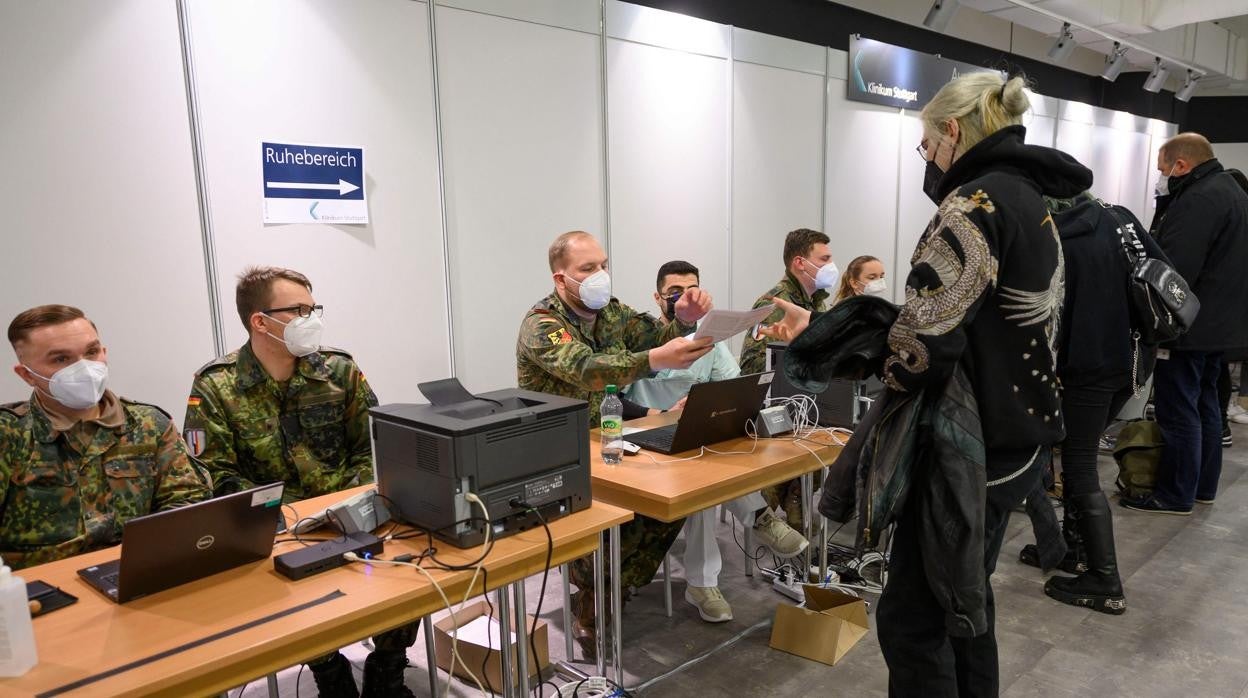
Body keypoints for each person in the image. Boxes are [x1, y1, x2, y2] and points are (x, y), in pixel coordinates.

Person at [764, 72, 1092, 695]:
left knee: (916, 620)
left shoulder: (971, 208)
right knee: (966, 602)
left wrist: (834, 337)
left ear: (951, 132)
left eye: (926, 146)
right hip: (1018, 435)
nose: (928, 160)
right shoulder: (1034, 202)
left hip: (966, 448)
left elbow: (922, 348)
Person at [183, 267, 409, 698]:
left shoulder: (339, 370)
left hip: (350, 510)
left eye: (314, 308)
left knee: (413, 559)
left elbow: (374, 447)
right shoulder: (216, 385)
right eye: (299, 310)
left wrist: (353, 502)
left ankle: (389, 669)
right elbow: (212, 472)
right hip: (276, 530)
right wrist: (283, 517)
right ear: (260, 321)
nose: (313, 319)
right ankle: (328, 669)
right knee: (286, 591)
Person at [516, 231, 714, 658]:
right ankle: (595, 593)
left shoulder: (612, 311)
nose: (600, 276)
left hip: (608, 434)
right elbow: (586, 368)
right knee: (612, 525)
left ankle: (610, 587)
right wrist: (655, 360)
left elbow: (652, 335)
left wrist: (682, 321)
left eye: (603, 265)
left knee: (670, 501)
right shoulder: (541, 324)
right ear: (560, 279)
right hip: (556, 450)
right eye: (587, 269)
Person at [623, 261, 808, 623]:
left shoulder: (709, 340)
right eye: (675, 292)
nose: (684, 298)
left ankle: (704, 582)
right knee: (701, 479)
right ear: (657, 297)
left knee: (706, 470)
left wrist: (713, 407)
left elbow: (733, 384)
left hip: (692, 438)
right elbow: (613, 399)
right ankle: (756, 520)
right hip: (643, 440)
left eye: (692, 289)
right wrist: (658, 413)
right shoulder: (641, 340)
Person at [1022, 192, 1169, 614]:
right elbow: (1162, 273)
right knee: (1076, 456)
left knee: (1081, 465)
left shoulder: (1054, 239)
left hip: (1085, 368)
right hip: (1129, 362)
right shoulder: (1117, 217)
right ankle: (1073, 552)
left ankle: (1105, 579)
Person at [0, 305, 211, 570]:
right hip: (43, 589)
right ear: (27, 374)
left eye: (91, 352)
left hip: (137, 569)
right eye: (61, 359)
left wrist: (153, 554)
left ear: (104, 353)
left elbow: (188, 501)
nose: (84, 368)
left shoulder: (148, 423)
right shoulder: (9, 434)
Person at [1124, 133, 1248, 514]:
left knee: (1178, 411)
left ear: (1181, 165)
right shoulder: (1231, 191)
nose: (1160, 178)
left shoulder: (1197, 201)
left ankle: (1175, 494)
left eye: (1162, 169)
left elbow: (1172, 271)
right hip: (1221, 326)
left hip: (1189, 328)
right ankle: (1202, 488)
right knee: (1207, 406)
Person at [739, 228, 837, 531]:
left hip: (809, 401)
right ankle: (767, 521)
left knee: (828, 435)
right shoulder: (775, 303)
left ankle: (795, 511)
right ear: (800, 263)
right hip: (773, 405)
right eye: (825, 259)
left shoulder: (817, 303)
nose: (832, 265)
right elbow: (755, 365)